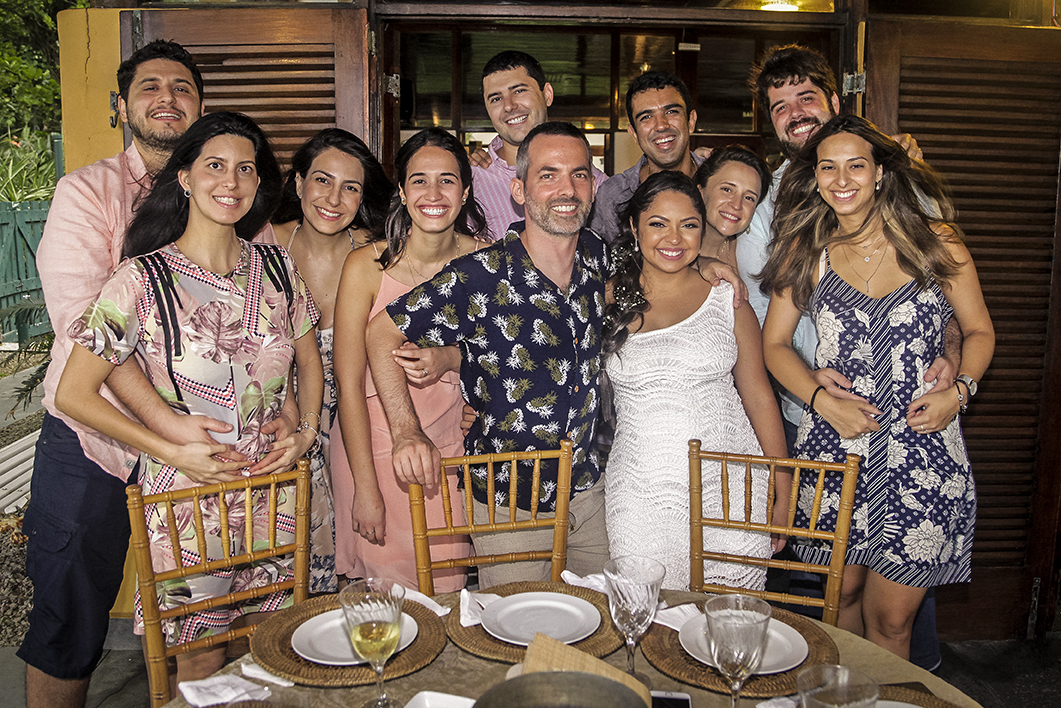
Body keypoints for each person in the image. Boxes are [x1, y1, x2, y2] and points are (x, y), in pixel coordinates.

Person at [20, 40, 290, 708]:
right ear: (121, 106)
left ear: (200, 108)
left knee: (217, 615)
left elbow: (266, 326)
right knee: (70, 618)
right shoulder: (86, 193)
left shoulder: (234, 202)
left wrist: (285, 414)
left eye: (182, 88)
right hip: (98, 442)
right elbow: (87, 333)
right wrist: (168, 430)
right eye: (150, 87)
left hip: (212, 454)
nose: (167, 98)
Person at [54, 111, 324, 685]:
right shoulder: (139, 279)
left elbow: (308, 358)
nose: (231, 181)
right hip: (187, 497)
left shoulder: (278, 268)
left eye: (245, 169)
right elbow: (74, 393)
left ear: (258, 183)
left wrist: (303, 427)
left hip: (272, 490)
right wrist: (168, 449)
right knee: (200, 660)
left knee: (271, 645)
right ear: (184, 177)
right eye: (215, 166)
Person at [760, 115, 993, 660]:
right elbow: (774, 345)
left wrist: (959, 391)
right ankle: (843, 695)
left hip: (922, 453)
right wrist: (820, 400)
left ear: (880, 173)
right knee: (839, 601)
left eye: (856, 166)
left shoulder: (936, 242)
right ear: (815, 177)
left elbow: (980, 330)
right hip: (837, 448)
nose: (842, 180)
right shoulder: (805, 249)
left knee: (892, 620)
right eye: (828, 167)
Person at [364, 121, 611, 587]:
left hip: (586, 491)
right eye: (548, 174)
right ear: (519, 190)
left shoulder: (597, 256)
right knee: (516, 624)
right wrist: (406, 431)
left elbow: (657, 274)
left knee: (600, 618)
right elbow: (381, 333)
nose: (567, 189)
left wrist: (711, 264)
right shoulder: (478, 275)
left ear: (593, 187)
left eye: (579, 174)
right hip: (508, 499)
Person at [603, 170, 789, 591]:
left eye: (688, 225)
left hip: (730, 486)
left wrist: (782, 486)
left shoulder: (728, 298)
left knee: (728, 620)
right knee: (646, 613)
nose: (674, 238)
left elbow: (759, 396)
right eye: (658, 224)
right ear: (634, 226)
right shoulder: (605, 298)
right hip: (639, 493)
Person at [331, 127, 482, 591]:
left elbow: (502, 358)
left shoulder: (486, 261)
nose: (433, 194)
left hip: (451, 450)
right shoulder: (366, 266)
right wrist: (365, 488)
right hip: (375, 447)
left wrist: (453, 359)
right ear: (401, 191)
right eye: (419, 180)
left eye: (447, 180)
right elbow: (348, 385)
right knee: (388, 598)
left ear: (465, 192)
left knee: (446, 589)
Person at [272, 128, 394, 593]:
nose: (334, 199)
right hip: (280, 427)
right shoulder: (263, 246)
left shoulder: (378, 253)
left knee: (353, 564)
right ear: (298, 182)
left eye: (351, 187)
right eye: (322, 180)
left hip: (355, 427)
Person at [471, 50, 607, 240]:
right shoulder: (470, 181)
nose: (509, 106)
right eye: (496, 98)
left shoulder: (598, 187)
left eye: (519, 91)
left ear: (547, 94)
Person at [589, 71, 702, 243]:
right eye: (646, 117)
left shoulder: (721, 183)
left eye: (671, 111)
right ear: (634, 133)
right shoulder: (613, 196)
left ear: (691, 121)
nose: (661, 125)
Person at [693, 145, 772, 269]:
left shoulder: (746, 251)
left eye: (749, 198)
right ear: (701, 191)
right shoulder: (672, 248)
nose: (736, 205)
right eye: (727, 190)